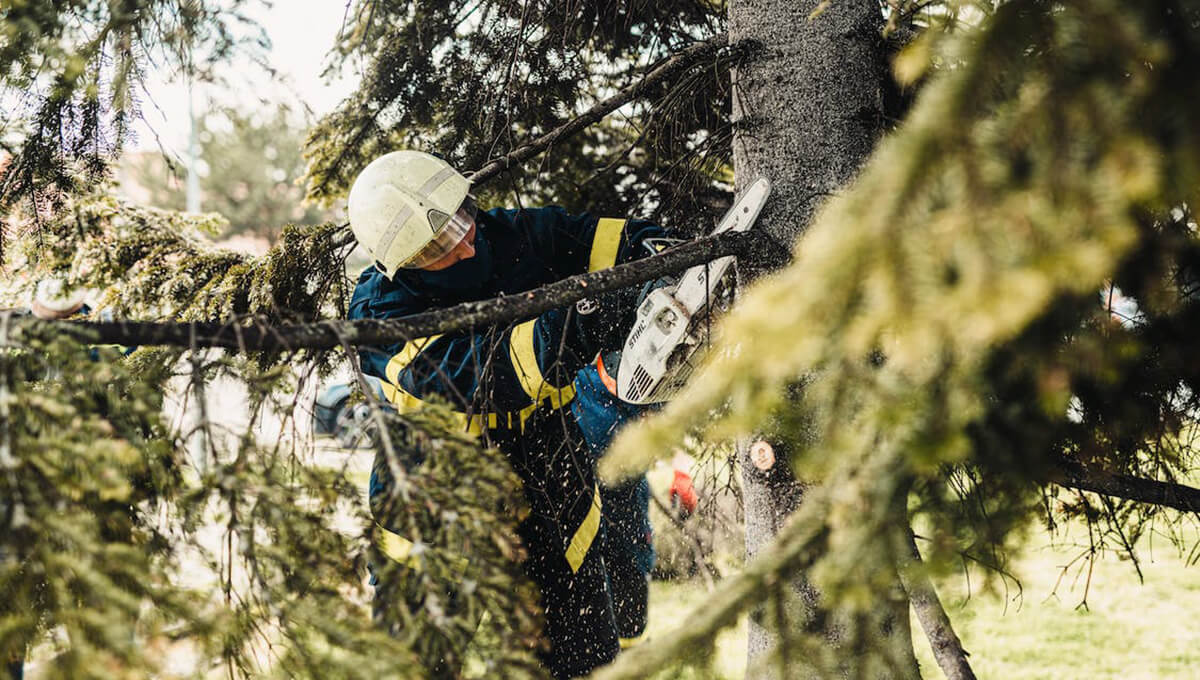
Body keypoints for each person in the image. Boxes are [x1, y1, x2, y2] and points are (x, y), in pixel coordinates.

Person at [346, 150, 664, 678]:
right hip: (438, 509)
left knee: (581, 662)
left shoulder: (518, 234)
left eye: (462, 216)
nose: (465, 241)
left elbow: (610, 238)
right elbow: (483, 376)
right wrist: (581, 321)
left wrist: (656, 256)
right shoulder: (380, 316)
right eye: (440, 244)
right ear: (400, 264)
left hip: (552, 483)